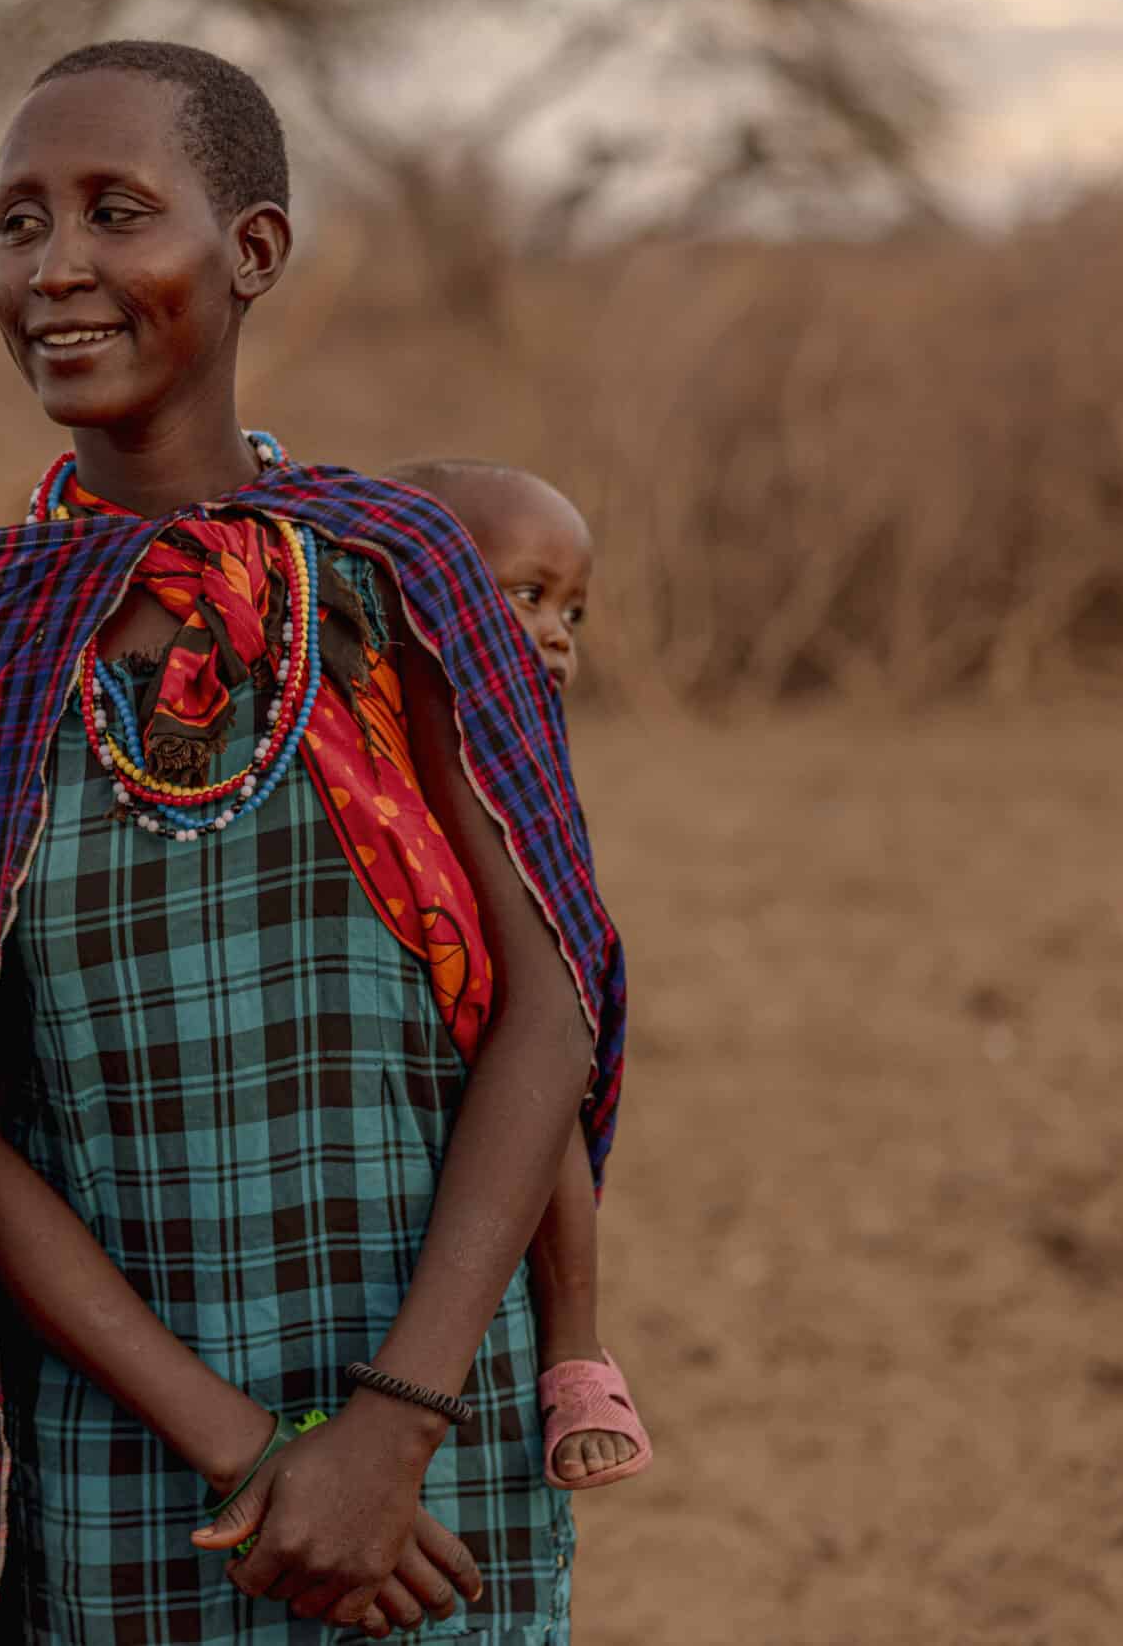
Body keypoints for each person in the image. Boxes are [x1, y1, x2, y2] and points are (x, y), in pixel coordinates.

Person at [0, 41, 627, 1645]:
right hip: (135, 1485)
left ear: (252, 252)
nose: (57, 267)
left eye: (116, 210)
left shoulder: (403, 582)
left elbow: (554, 1004)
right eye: (17, 224)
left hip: (438, 1474)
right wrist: (251, 1450)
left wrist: (389, 1427)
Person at [386, 460, 651, 1494]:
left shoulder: (522, 747)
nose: (557, 634)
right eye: (526, 595)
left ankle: (576, 1352)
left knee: (552, 1120)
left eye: (572, 612)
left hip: (511, 1016)